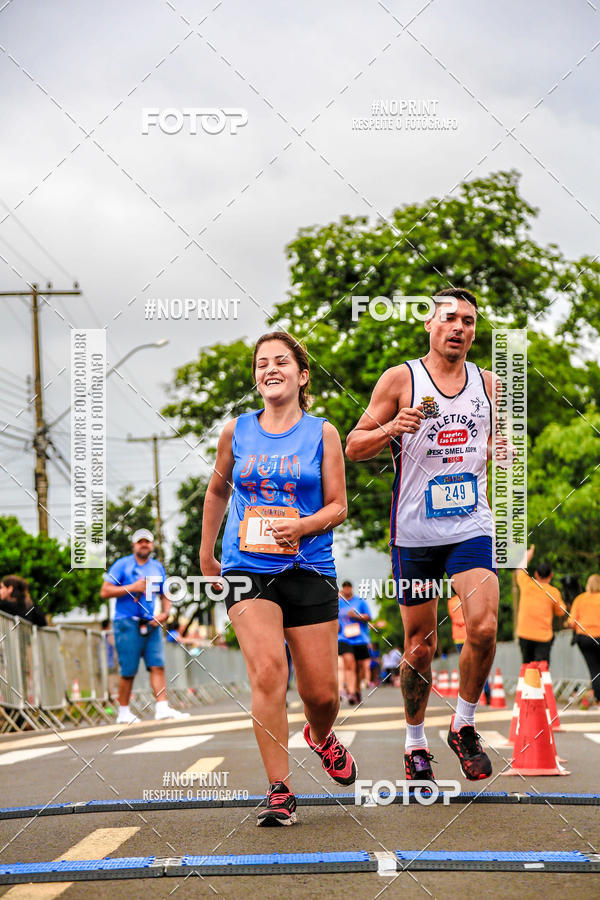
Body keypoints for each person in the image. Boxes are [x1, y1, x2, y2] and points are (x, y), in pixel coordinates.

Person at [346, 287, 507, 782]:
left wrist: (498, 451)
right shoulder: (401, 378)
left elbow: (490, 443)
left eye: (470, 321)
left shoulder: (490, 384)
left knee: (482, 626)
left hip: (470, 527)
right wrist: (393, 426)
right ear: (429, 325)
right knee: (419, 647)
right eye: (451, 319)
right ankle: (415, 742)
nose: (460, 328)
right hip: (414, 532)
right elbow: (354, 446)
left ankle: (463, 724)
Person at [200, 331, 356, 827]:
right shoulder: (237, 431)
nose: (271, 368)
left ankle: (322, 735)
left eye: (281, 361)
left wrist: (304, 525)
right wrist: (206, 556)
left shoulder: (322, 433)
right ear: (256, 376)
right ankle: (279, 791)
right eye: (262, 363)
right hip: (248, 566)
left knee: (322, 695)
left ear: (302, 375)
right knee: (268, 671)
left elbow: (339, 505)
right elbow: (217, 492)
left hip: (309, 567)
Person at [100, 529, 190, 724]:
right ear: (134, 545)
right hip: (127, 622)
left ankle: (162, 707)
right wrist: (132, 588)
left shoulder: (157, 567)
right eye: (140, 542)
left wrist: (165, 614)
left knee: (157, 665)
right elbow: (105, 591)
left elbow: (165, 594)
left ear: (152, 545)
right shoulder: (122, 565)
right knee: (128, 670)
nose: (144, 545)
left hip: (151, 623)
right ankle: (123, 712)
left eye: (147, 542)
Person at [516, 544, 565, 664]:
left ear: (536, 574)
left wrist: (528, 556)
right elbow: (561, 612)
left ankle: (527, 682)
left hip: (524, 634)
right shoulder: (553, 592)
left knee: (527, 667)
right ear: (551, 575)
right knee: (541, 669)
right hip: (543, 637)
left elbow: (519, 569)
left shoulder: (527, 584)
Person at [448, 595, 490, 703]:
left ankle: (468, 696)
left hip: (458, 638)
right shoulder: (470, 597)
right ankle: (486, 691)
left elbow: (455, 618)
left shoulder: (451, 602)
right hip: (471, 635)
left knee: (466, 667)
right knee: (478, 664)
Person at [567, 574, 600, 707]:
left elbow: (572, 622)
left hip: (585, 638)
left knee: (594, 669)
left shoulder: (580, 599)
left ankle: (599, 699)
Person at [337, 580, 372, 704]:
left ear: (351, 588)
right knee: (349, 664)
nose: (346, 590)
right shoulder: (338, 603)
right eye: (344, 587)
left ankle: (357, 690)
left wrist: (356, 616)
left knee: (359, 668)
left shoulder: (360, 601)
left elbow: (369, 617)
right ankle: (350, 693)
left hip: (360, 639)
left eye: (348, 587)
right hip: (343, 638)